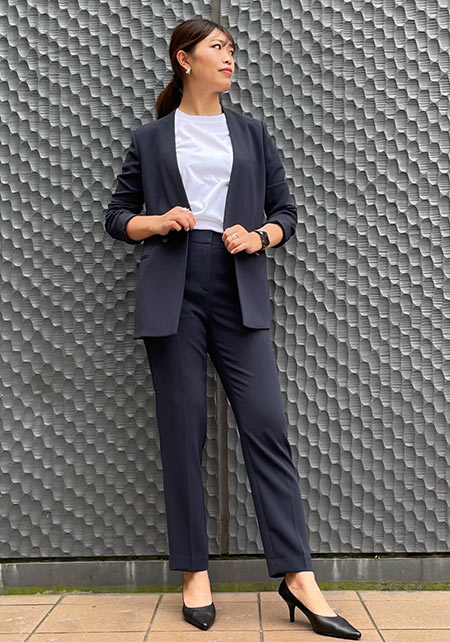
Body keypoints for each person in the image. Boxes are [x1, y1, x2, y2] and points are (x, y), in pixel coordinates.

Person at [105, 17, 361, 640]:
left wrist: (260, 236)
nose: (229, 57)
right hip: (173, 287)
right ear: (184, 59)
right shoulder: (151, 138)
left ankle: (297, 574)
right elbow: (117, 216)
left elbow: (286, 212)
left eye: (232, 49)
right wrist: (158, 221)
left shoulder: (251, 133)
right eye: (218, 47)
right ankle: (194, 571)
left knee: (266, 426)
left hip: (237, 279)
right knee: (183, 432)